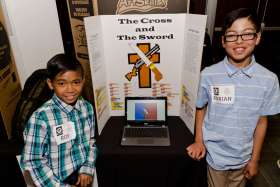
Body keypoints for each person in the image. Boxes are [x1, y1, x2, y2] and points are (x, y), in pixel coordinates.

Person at [186, 8, 280, 187]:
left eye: (247, 34)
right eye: (231, 35)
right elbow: (201, 108)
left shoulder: (269, 79)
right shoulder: (209, 75)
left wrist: (255, 159)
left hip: (244, 157)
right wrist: (199, 141)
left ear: (257, 37)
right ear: (223, 41)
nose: (239, 41)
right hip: (215, 155)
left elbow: (262, 121)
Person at [21, 54, 97, 187]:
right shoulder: (41, 118)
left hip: (81, 177)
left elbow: (91, 141)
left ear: (83, 81)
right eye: (62, 83)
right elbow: (33, 162)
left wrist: (87, 168)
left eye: (76, 82)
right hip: (53, 182)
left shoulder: (87, 108)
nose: (70, 89)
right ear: (51, 84)